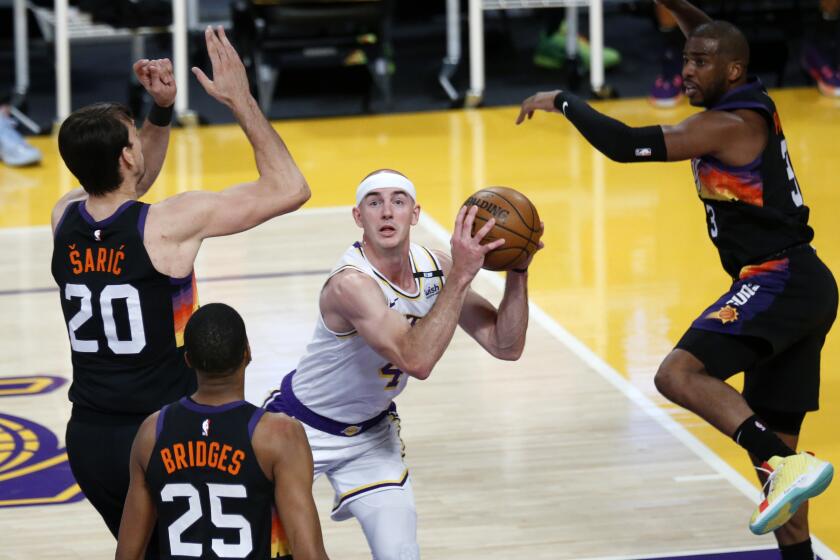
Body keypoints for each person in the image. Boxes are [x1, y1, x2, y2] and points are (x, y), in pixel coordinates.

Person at [516, 1, 836, 558]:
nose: (687, 70)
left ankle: (787, 464)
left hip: (777, 280)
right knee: (780, 492)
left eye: (699, 63)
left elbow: (623, 145)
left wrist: (563, 99)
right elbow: (712, 35)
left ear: (730, 70)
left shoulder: (724, 125)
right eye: (685, 60)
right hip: (804, 284)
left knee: (677, 374)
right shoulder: (745, 89)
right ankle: (790, 499)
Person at [50, 27, 310, 548]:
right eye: (132, 140)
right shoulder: (170, 223)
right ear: (126, 157)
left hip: (89, 437)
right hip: (163, 436)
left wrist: (158, 113)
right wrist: (241, 100)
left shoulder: (65, 217)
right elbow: (289, 188)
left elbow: (125, 189)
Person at [263, 169, 542, 559]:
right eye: (374, 203)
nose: (387, 213)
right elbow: (417, 360)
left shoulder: (437, 267)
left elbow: (506, 345)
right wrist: (462, 275)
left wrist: (519, 269)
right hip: (299, 428)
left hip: (371, 438)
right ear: (359, 217)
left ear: (415, 214)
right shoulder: (351, 285)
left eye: (398, 201)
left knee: (401, 554)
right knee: (269, 550)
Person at [115, 303, 328, 560]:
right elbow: (309, 553)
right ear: (247, 353)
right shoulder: (278, 436)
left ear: (188, 360)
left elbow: (127, 555)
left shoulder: (152, 433)